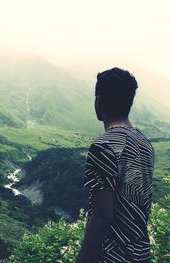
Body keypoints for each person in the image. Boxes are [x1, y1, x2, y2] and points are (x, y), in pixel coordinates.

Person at [76, 67, 154, 263]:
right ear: (129, 102)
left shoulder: (104, 146)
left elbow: (102, 217)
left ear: (98, 102)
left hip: (111, 256)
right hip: (141, 254)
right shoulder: (144, 142)